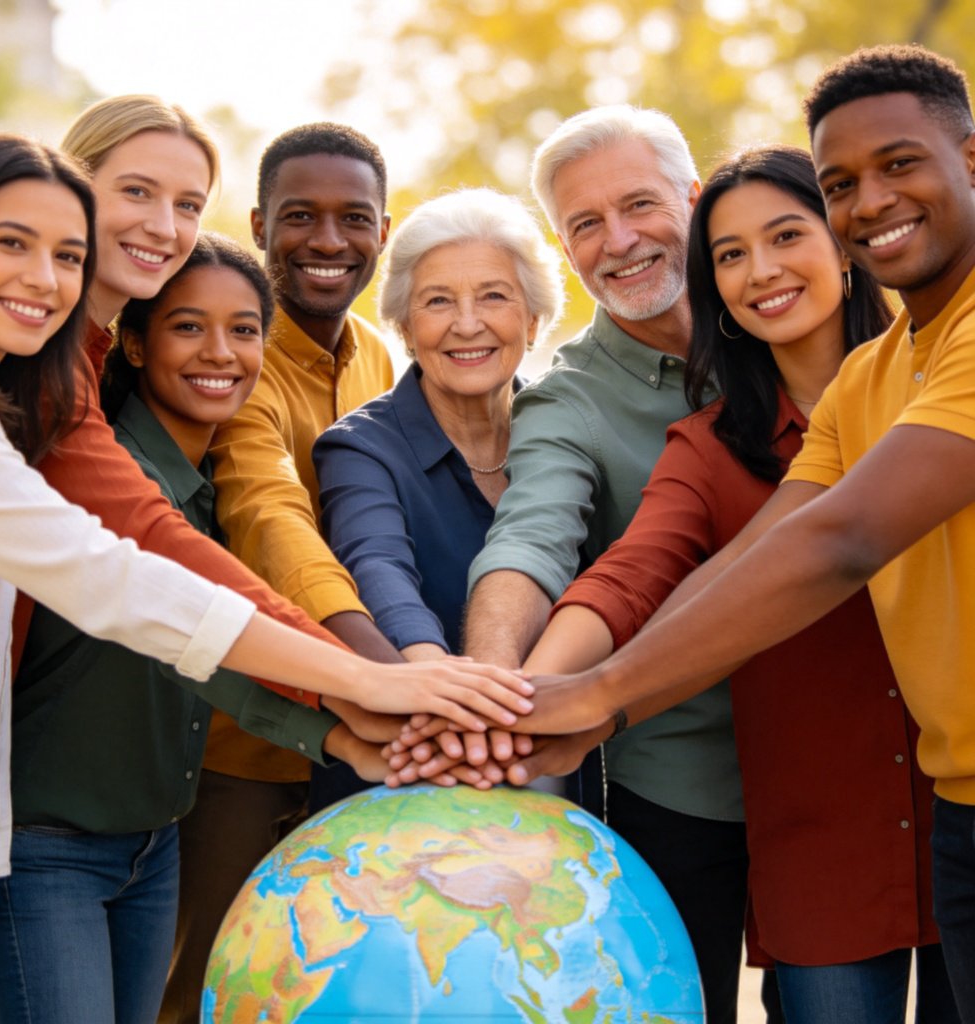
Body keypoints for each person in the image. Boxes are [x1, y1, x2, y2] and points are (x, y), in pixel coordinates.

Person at [0, 137, 531, 1024]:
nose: (45, 276)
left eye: (67, 255)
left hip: (69, 836)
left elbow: (178, 641)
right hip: (53, 836)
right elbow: (145, 576)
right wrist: (372, 674)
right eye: (10, 243)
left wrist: (344, 732)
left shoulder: (8, 419)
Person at [503, 43, 975, 1023]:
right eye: (843, 182)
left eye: (898, 166)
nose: (871, 202)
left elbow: (839, 541)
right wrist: (554, 698)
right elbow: (724, 561)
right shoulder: (870, 380)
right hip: (908, 825)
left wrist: (598, 694)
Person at [397, 106, 754, 1024]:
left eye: (639, 205)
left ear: (695, 197)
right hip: (680, 791)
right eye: (585, 225)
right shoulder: (569, 399)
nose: (620, 241)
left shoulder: (788, 320)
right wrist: (486, 691)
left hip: (842, 767)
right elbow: (529, 540)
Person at [0, 233, 383, 1024]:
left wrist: (345, 737)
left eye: (244, 329)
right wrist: (362, 695)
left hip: (154, 848)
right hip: (44, 847)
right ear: (133, 340)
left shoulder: (211, 493)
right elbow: (168, 628)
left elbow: (203, 660)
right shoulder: (100, 477)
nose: (220, 353)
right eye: (189, 327)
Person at [160, 123, 400, 1024]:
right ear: (261, 223)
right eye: (301, 216)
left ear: (384, 227)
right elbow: (270, 519)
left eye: (354, 218)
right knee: (202, 991)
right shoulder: (239, 357)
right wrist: (380, 669)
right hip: (240, 748)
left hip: (355, 746)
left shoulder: (377, 356)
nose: (328, 242)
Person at [313, 188, 563, 783]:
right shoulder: (360, 448)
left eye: (494, 296)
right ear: (403, 327)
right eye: (438, 301)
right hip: (415, 769)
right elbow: (377, 571)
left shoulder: (567, 430)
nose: (467, 323)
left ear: (532, 319)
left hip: (553, 771)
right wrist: (449, 696)